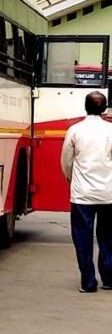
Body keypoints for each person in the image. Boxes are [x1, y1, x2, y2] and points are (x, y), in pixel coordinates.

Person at [60, 90, 112, 293]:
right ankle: (109, 278)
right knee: (108, 237)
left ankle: (88, 282)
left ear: (85, 107)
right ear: (105, 109)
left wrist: (72, 179)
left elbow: (66, 161)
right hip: (109, 193)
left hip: (82, 194)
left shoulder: (75, 130)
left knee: (82, 238)